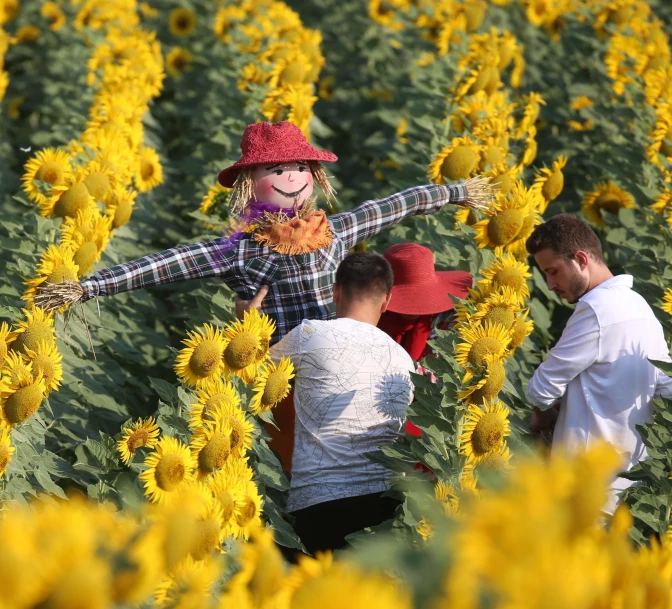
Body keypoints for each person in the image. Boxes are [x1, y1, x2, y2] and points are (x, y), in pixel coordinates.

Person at [36, 120, 494, 343]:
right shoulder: (239, 250)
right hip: (278, 368)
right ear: (248, 183)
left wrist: (455, 191)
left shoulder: (331, 231)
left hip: (337, 352)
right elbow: (165, 265)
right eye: (276, 169)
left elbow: (394, 206)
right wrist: (88, 287)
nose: (291, 177)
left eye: (299, 167)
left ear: (314, 174)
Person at [525, 214, 672, 510]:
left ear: (581, 259)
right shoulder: (640, 307)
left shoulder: (595, 310)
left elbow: (540, 389)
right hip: (631, 481)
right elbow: (668, 387)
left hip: (583, 484)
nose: (549, 284)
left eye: (553, 271)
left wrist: (545, 417)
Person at [266, 252, 416, 554]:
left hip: (316, 505)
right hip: (383, 510)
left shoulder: (310, 334)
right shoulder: (404, 360)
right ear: (386, 301)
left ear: (335, 292)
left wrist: (246, 317)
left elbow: (249, 373)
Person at [375, 242, 472, 438]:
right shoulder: (374, 317)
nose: (413, 307)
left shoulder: (447, 318)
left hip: (431, 417)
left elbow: (449, 374)